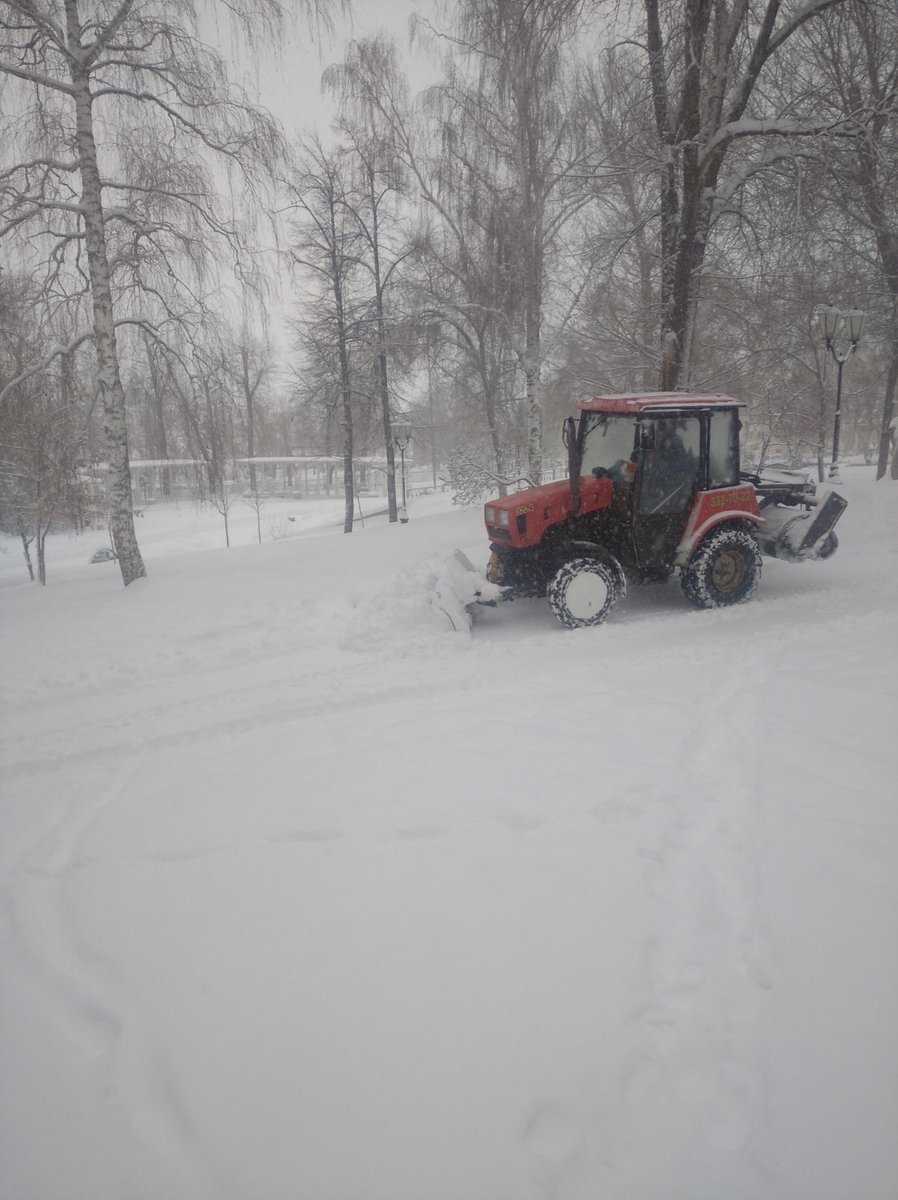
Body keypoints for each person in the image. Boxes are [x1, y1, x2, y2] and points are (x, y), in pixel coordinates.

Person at [640, 419, 698, 513]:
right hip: (653, 487)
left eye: (659, 433)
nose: (657, 436)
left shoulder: (674, 445)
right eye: (655, 433)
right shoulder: (650, 444)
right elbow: (643, 458)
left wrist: (656, 467)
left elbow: (681, 470)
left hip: (668, 492)